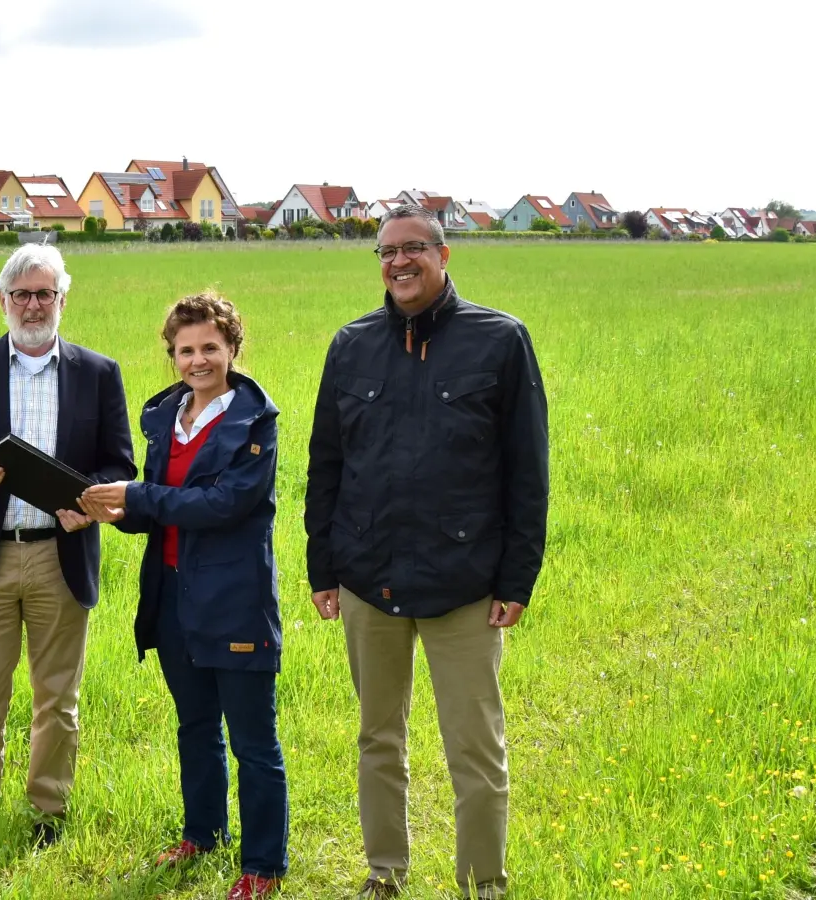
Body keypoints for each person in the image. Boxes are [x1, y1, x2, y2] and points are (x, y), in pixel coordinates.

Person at [305, 205, 549, 899]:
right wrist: (323, 567)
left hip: (464, 584)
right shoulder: (350, 345)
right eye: (386, 251)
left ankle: (483, 884)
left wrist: (517, 577)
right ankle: (385, 874)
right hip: (367, 579)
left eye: (414, 248)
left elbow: (527, 472)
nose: (398, 261)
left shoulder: (500, 341)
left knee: (476, 750)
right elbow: (326, 466)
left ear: (445, 255)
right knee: (378, 739)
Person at [81, 293, 288, 900]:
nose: (198, 360)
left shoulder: (254, 423)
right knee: (195, 724)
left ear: (232, 349)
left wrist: (136, 496)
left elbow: (226, 504)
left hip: (235, 597)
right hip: (170, 595)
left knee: (253, 740)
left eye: (210, 348)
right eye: (186, 350)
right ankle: (203, 834)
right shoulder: (165, 418)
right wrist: (102, 511)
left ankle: (263, 867)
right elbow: (157, 511)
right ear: (172, 355)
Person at [0, 244, 135, 847]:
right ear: (2, 301)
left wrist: (88, 503)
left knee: (58, 699)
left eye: (45, 293)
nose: (34, 305)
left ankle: (48, 812)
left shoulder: (99, 373)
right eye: (22, 294)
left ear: (62, 300)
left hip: (59, 555)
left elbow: (118, 463)